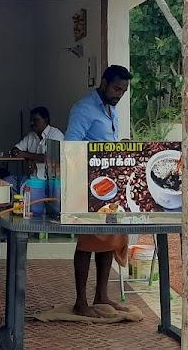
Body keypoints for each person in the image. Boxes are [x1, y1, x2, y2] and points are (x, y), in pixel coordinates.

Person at [64, 65, 133, 317]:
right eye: (116, 88)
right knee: (88, 241)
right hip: (87, 184)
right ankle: (80, 302)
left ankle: (101, 295)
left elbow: (106, 143)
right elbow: (71, 146)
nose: (119, 94)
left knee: (108, 237)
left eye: (123, 91)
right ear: (103, 83)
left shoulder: (110, 109)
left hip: (107, 185)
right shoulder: (84, 109)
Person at [11, 106, 65, 179]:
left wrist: (26, 155)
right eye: (31, 120)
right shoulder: (31, 135)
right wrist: (28, 158)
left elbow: (50, 158)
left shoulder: (56, 134)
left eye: (36, 120)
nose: (32, 123)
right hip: (33, 178)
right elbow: (14, 150)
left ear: (46, 120)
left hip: (51, 181)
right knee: (7, 181)